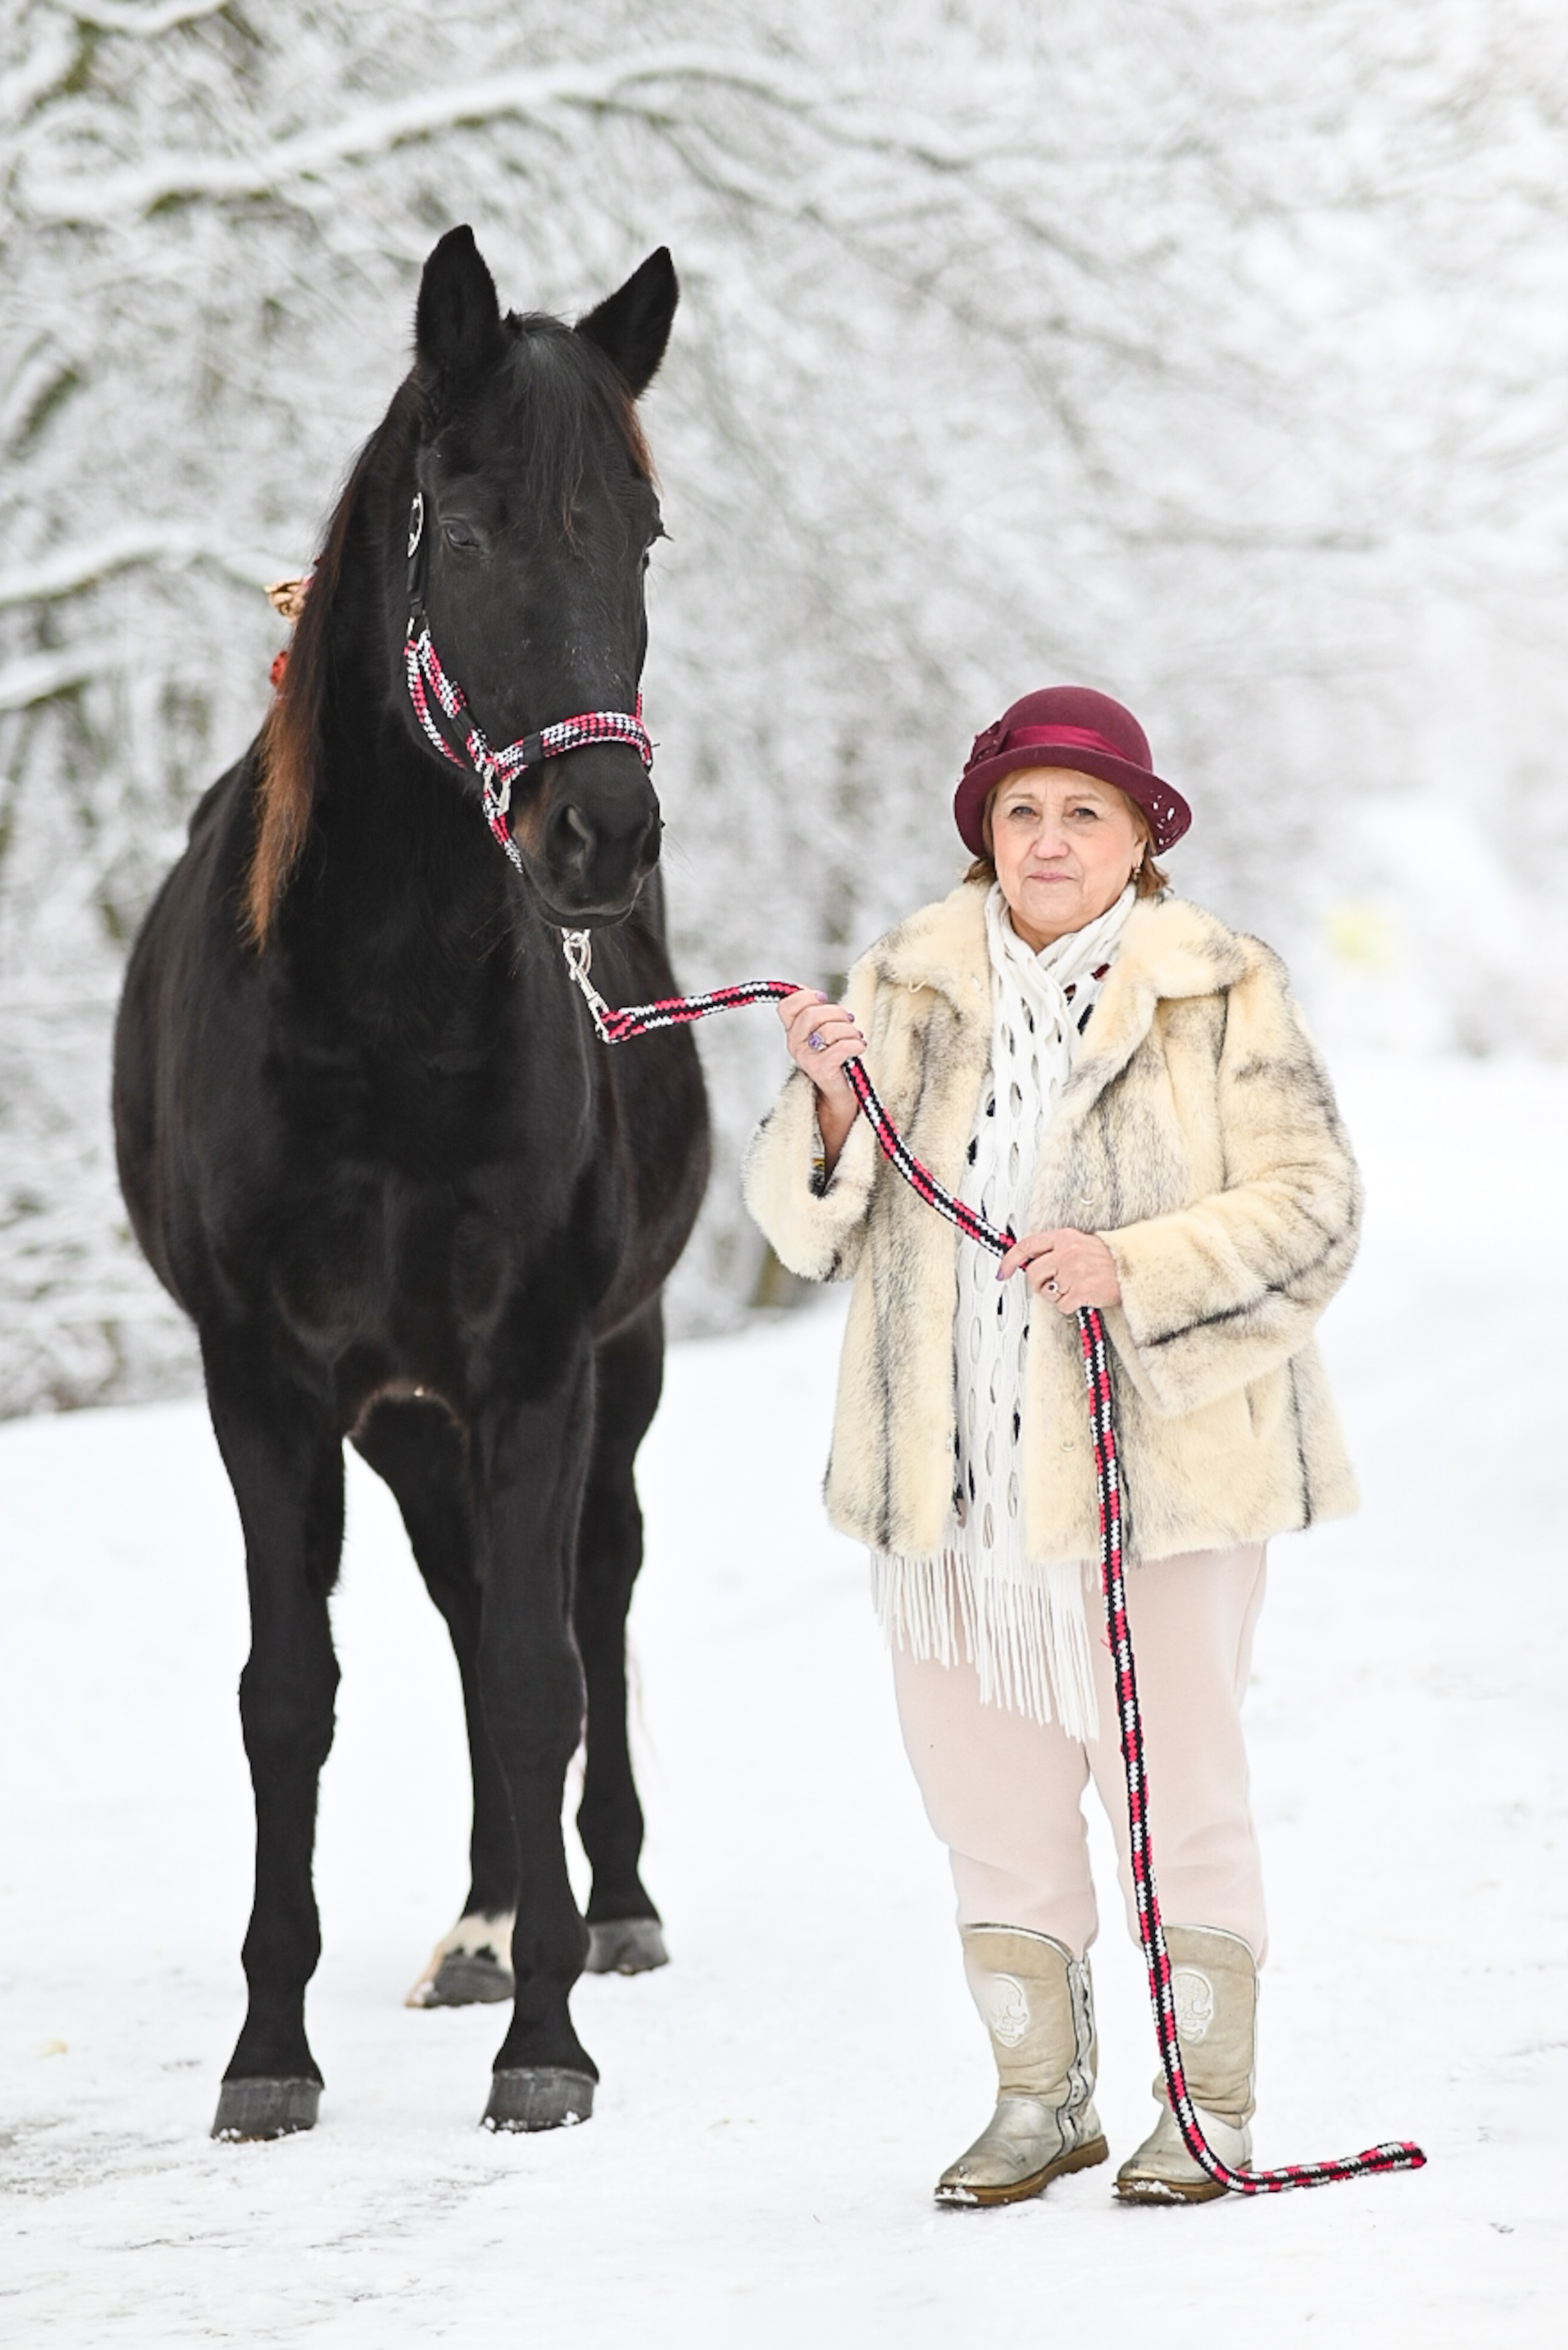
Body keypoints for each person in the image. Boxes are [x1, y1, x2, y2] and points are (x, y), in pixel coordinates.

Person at [742, 686, 1361, 2206]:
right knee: (986, 1805)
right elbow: (803, 1232)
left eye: (1086, 811)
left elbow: (1314, 1206)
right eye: (1020, 811)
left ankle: (1208, 2110)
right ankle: (1040, 2102)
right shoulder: (901, 986)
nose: (1049, 838)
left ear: (1143, 837)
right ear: (985, 834)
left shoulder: (1221, 988)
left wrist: (1131, 1266)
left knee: (1182, 1793)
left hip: (1163, 1480)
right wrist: (826, 1110)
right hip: (945, 1489)